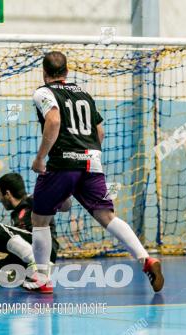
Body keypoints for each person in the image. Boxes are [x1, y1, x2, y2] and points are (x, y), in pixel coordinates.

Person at [24, 51, 163, 294]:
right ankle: (145, 259)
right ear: (67, 71)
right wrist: (88, 156)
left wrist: (40, 158)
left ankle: (41, 278)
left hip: (63, 163)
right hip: (92, 162)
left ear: (44, 72)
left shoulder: (44, 92)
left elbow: (54, 121)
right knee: (107, 216)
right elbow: (100, 132)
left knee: (39, 219)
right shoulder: (85, 94)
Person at [0, 172, 60, 282]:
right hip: (25, 258)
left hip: (44, 250)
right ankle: (14, 274)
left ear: (7, 193)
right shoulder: (15, 214)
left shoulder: (33, 201)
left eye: (0, 194)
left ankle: (38, 264)